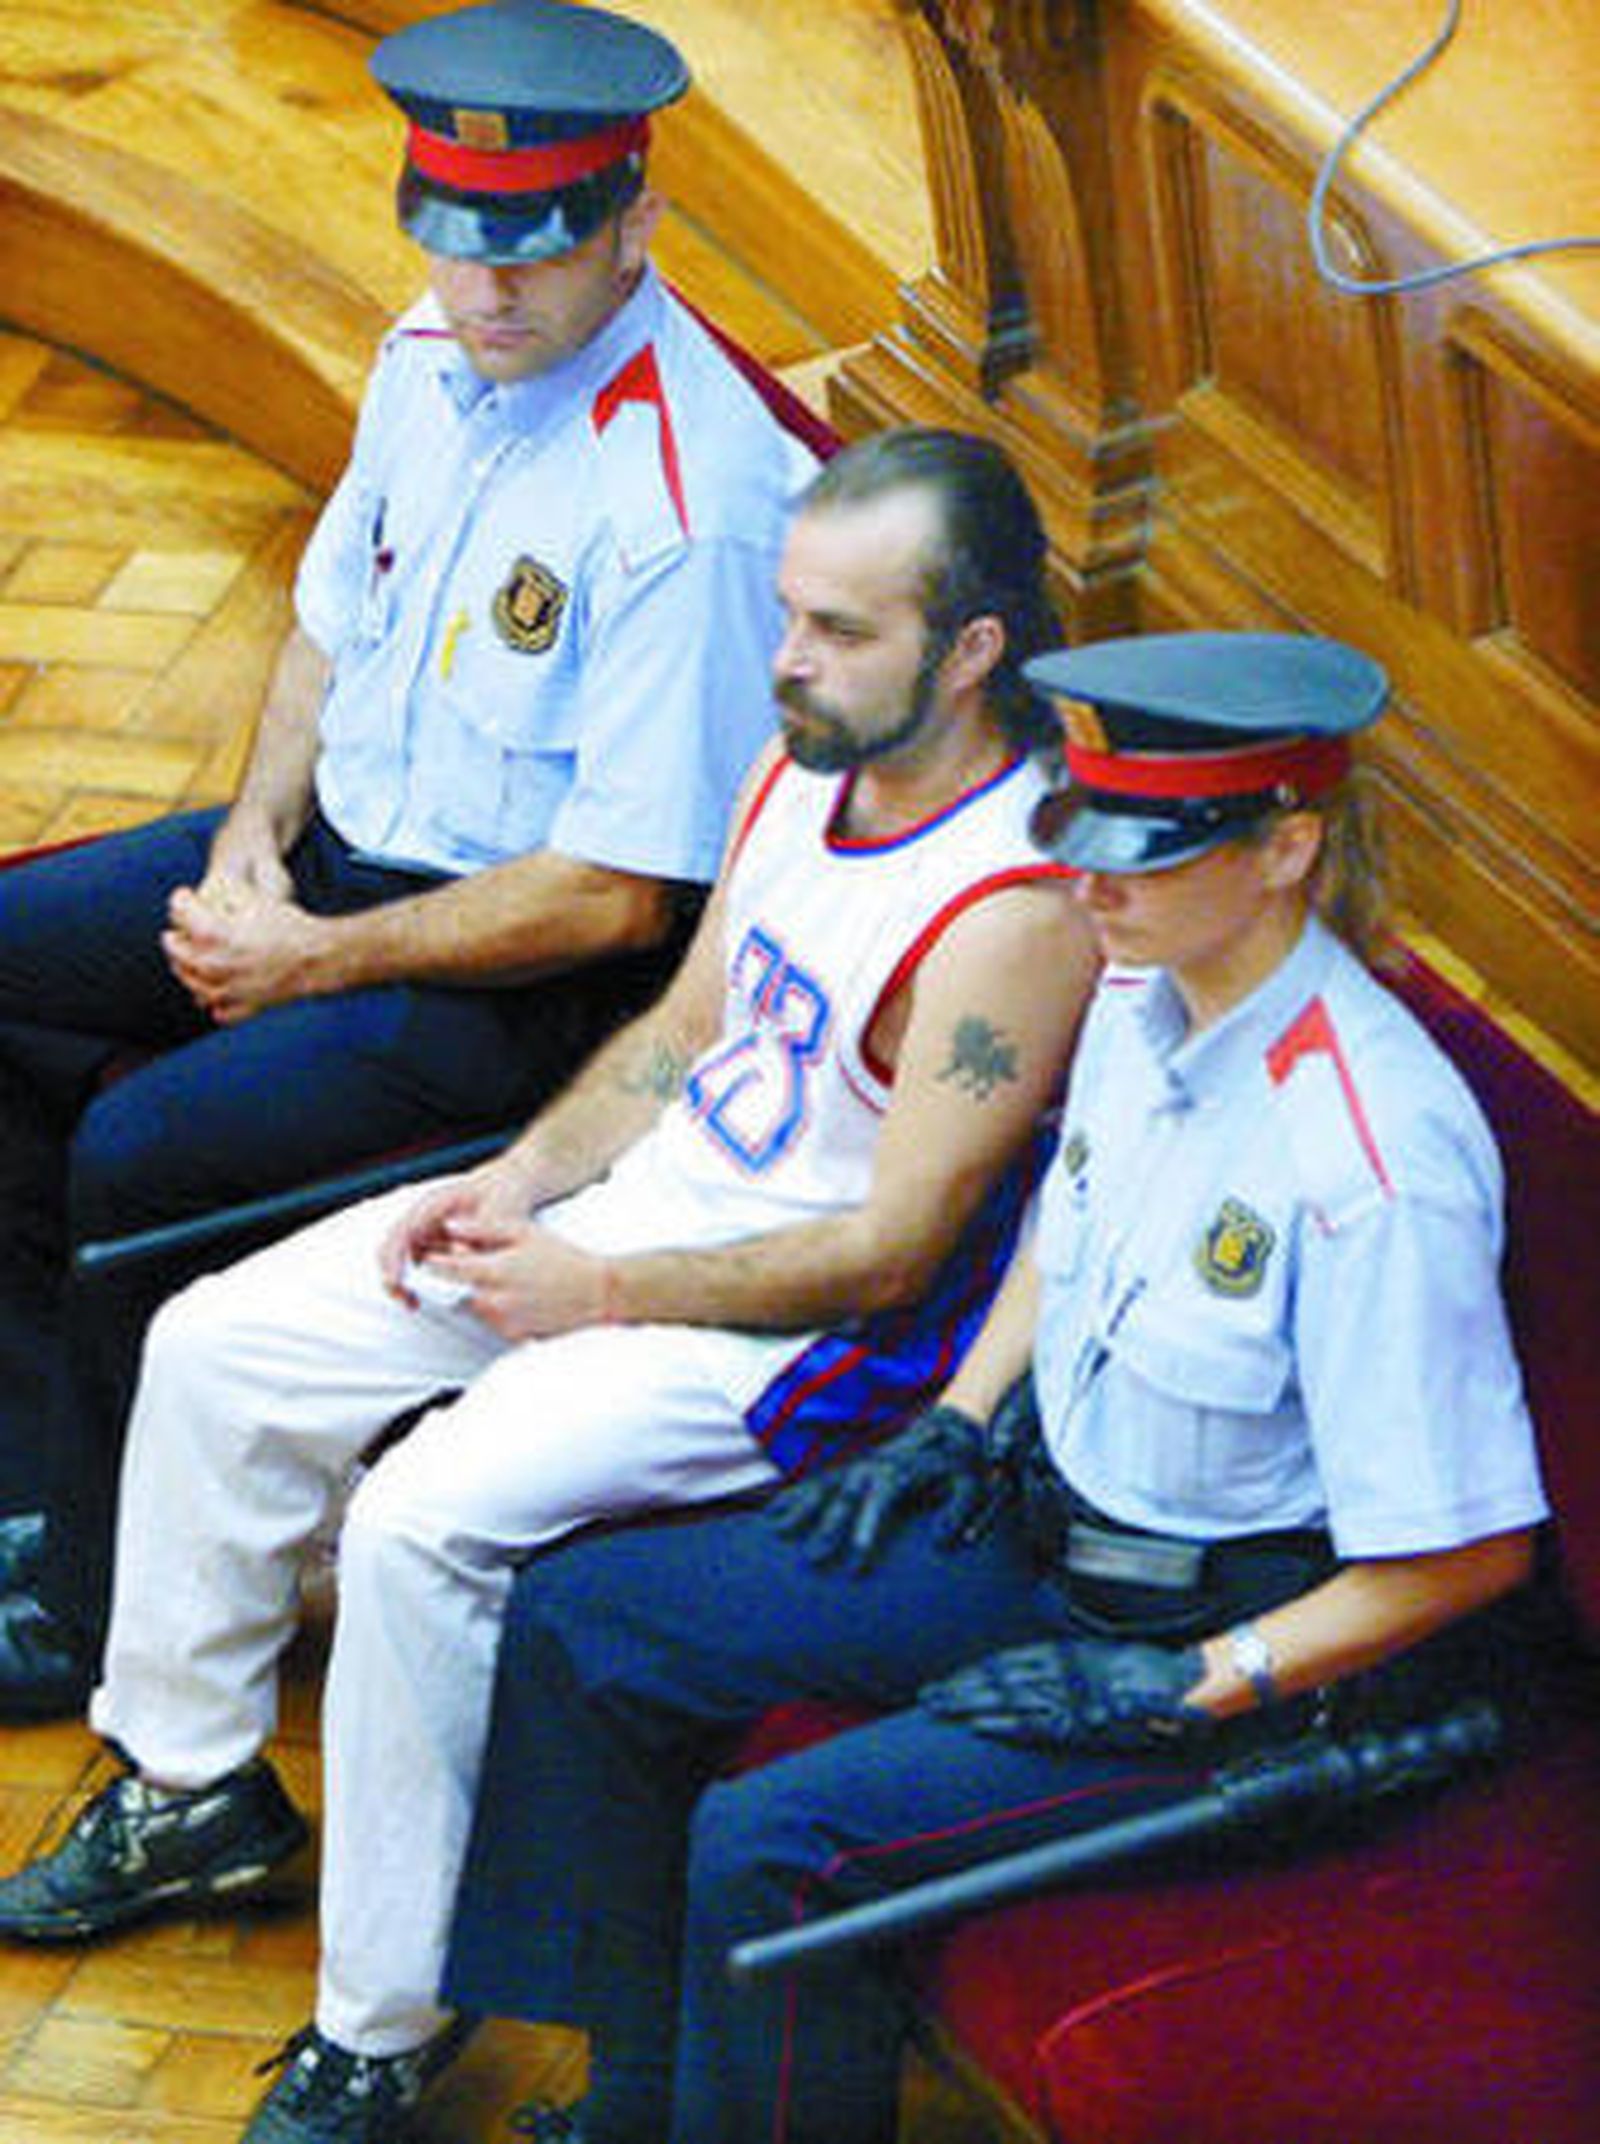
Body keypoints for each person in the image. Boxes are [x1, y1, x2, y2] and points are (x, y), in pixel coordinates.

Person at [0, 426, 1100, 2143]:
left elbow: (894, 1251)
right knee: (220, 1346)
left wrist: (603, 1289)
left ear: (970, 651)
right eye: (789, 614)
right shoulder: (804, 761)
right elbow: (679, 1035)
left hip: (788, 1338)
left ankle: (381, 2022)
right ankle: (192, 1788)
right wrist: (517, 1182)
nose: (787, 659)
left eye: (839, 631)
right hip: (629, 1218)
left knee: (415, 1527)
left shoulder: (1018, 906)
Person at [433, 629, 1553, 2144]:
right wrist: (961, 1419)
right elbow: (1067, 1229)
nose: (1090, 884)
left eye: (1145, 854)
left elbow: (1468, 1556)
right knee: (593, 1621)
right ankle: (639, 2108)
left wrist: (1196, 1682)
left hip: (1235, 1664)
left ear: (1288, 847)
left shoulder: (1370, 1159)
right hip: (1046, 1533)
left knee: (780, 1845)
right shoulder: (1147, 993)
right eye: (1083, 839)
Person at [0, 0, 818, 1716]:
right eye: (455, 242)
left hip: (517, 971)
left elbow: (618, 891)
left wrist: (315, 959)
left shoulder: (689, 501)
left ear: (636, 224)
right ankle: (30, 1479)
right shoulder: (427, 356)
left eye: (533, 251)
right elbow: (327, 632)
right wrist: (250, 844)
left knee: (146, 1152)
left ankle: (93, 1603)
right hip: (340, 861)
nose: (486, 291)